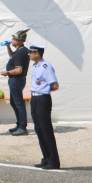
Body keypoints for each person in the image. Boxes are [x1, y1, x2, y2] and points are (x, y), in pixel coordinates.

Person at [28, 40, 61, 170]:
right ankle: (46, 158)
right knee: (39, 129)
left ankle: (54, 161)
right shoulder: (36, 66)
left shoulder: (46, 67)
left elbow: (55, 85)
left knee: (46, 129)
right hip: (35, 98)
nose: (29, 54)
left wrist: (44, 90)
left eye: (30, 52)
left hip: (42, 99)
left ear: (37, 53)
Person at [0, 29, 30, 135]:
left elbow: (18, 70)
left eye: (13, 39)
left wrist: (7, 72)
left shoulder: (20, 52)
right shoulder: (21, 50)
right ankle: (19, 124)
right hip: (17, 80)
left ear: (17, 41)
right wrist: (8, 46)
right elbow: (12, 56)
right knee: (14, 102)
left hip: (16, 80)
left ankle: (22, 127)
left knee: (19, 104)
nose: (11, 40)